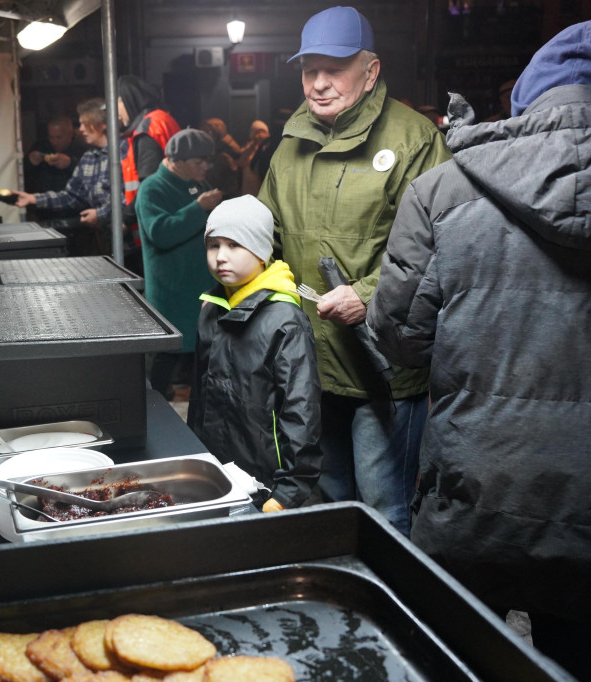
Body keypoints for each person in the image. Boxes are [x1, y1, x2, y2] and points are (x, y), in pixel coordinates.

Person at [366, 20, 591, 680]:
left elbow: (399, 339)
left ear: (525, 99)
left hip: (473, 502)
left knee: (460, 663)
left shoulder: (444, 190)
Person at [257, 6, 451, 535]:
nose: (318, 84)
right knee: (328, 498)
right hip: (308, 361)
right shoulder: (290, 144)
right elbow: (268, 233)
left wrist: (367, 292)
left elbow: (440, 244)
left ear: (370, 71)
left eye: (333, 69)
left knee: (385, 507)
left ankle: (397, 614)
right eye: (308, 70)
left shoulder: (415, 140)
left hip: (381, 361)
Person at [188, 196, 321, 511]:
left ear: (261, 251)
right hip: (216, 473)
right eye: (213, 245)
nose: (221, 256)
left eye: (235, 245)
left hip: (267, 483)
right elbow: (199, 397)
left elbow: (301, 412)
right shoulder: (212, 309)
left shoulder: (285, 320)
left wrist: (289, 491)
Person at [136, 129, 223, 399]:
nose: (206, 167)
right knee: (167, 352)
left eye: (207, 161)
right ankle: (152, 409)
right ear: (176, 160)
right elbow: (160, 233)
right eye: (199, 162)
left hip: (203, 287)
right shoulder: (152, 188)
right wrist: (198, 208)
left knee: (202, 354)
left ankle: (200, 413)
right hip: (171, 290)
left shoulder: (200, 185)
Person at [13, 98, 114, 256]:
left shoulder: (123, 153)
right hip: (102, 239)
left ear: (102, 124)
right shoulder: (89, 157)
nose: (80, 129)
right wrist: (33, 199)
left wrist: (100, 214)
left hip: (127, 241)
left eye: (84, 124)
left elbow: (130, 199)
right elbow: (72, 196)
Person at [117, 74, 182, 273]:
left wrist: (125, 219)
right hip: (173, 219)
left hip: (157, 226)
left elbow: (148, 185)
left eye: (118, 100)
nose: (116, 110)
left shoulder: (147, 129)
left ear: (129, 99)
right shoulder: (164, 119)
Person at [24, 114, 90, 201]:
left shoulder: (82, 148)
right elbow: (19, 174)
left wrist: (70, 163)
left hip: (73, 206)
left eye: (59, 137)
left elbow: (91, 175)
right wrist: (29, 162)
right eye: (51, 137)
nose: (54, 142)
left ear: (70, 134)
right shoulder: (41, 146)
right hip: (44, 205)